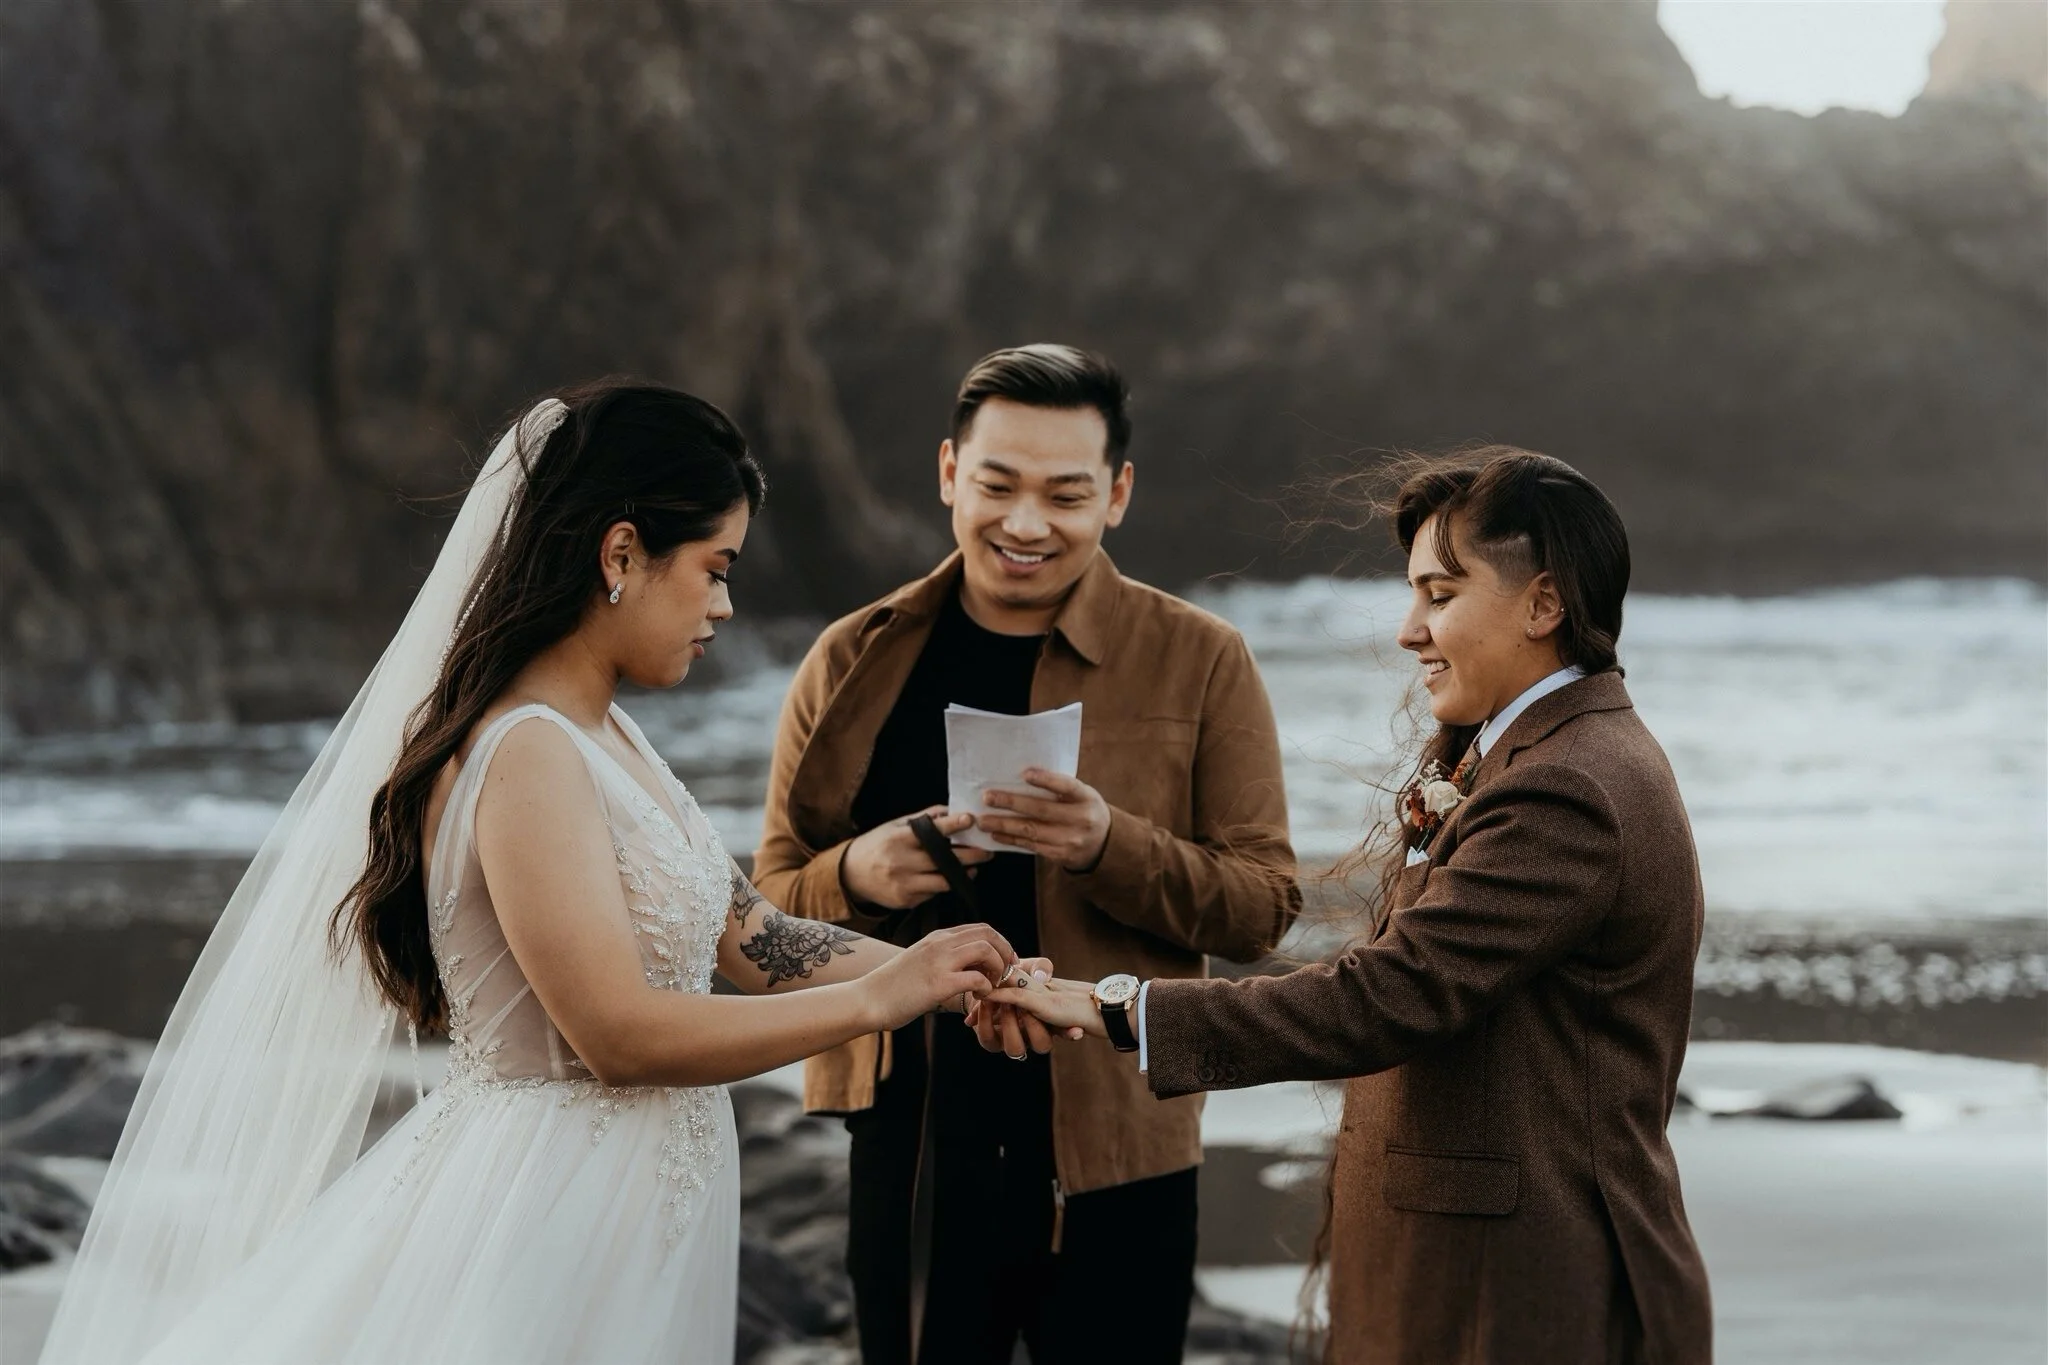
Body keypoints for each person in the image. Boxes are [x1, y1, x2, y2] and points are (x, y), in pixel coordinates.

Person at [36, 381, 1028, 1365]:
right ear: (621, 554)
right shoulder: (527, 753)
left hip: (633, 1211)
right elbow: (615, 1034)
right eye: (714, 569)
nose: (725, 606)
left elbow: (757, 942)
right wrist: (880, 1003)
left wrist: (965, 973)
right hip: (547, 1212)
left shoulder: (611, 736)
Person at [987, 447, 1715, 1364]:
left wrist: (1118, 1005)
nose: (1409, 629)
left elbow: (1386, 995)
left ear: (1544, 603)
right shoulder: (1535, 755)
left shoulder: (1567, 790)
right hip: (1468, 1273)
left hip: (1520, 1288)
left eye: (1440, 596)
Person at [752, 344, 1301, 1364]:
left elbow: (1262, 907)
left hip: (1119, 1130)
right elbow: (764, 907)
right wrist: (858, 874)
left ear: (1118, 495)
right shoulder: (851, 655)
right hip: (907, 1125)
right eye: (997, 484)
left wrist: (1109, 845)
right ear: (949, 472)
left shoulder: (1199, 659)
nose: (1025, 524)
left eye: (1065, 493)